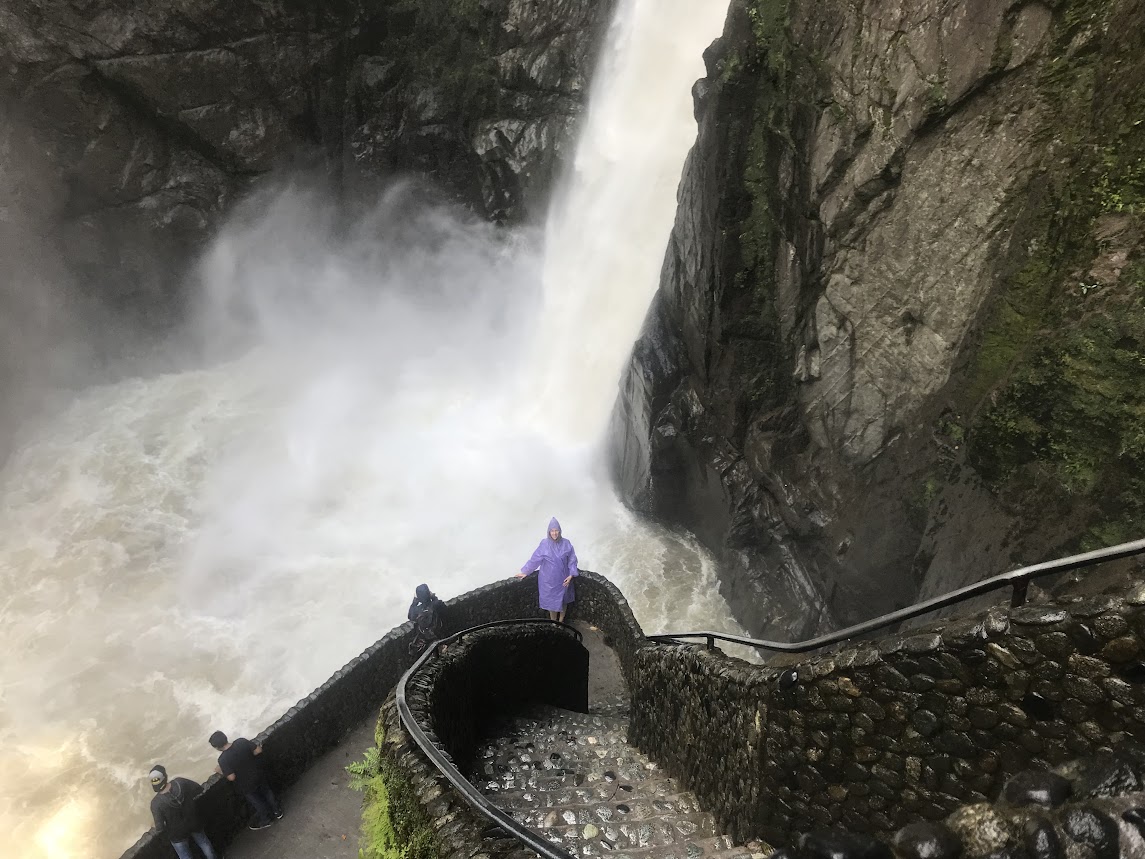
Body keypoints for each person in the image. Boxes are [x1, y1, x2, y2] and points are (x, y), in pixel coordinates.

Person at [209, 730, 282, 830]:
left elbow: (231, 777)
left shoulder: (223, 759)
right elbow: (258, 750)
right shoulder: (241, 742)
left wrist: (220, 771)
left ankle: (266, 819)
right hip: (258, 774)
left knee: (258, 802)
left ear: (217, 747)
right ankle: (277, 811)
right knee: (267, 792)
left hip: (246, 784)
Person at [148, 764, 219, 859]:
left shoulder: (156, 803)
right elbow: (198, 789)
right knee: (204, 844)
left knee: (185, 856)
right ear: (165, 777)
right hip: (193, 821)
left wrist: (154, 824)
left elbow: (160, 828)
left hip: (177, 833)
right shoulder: (180, 782)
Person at [517, 517, 578, 623]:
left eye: (556, 530)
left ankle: (561, 621)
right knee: (552, 603)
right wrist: (525, 572)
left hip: (564, 578)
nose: (554, 533)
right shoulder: (544, 544)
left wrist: (571, 575)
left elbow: (572, 560)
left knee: (564, 601)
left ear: (560, 531)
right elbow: (535, 559)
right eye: (552, 531)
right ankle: (554, 622)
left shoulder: (566, 543)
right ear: (549, 532)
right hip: (549, 580)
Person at [407, 583, 448, 655]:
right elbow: (445, 610)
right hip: (439, 637)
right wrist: (434, 597)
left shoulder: (417, 609)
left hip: (424, 641)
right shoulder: (436, 604)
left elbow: (410, 616)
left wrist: (414, 603)